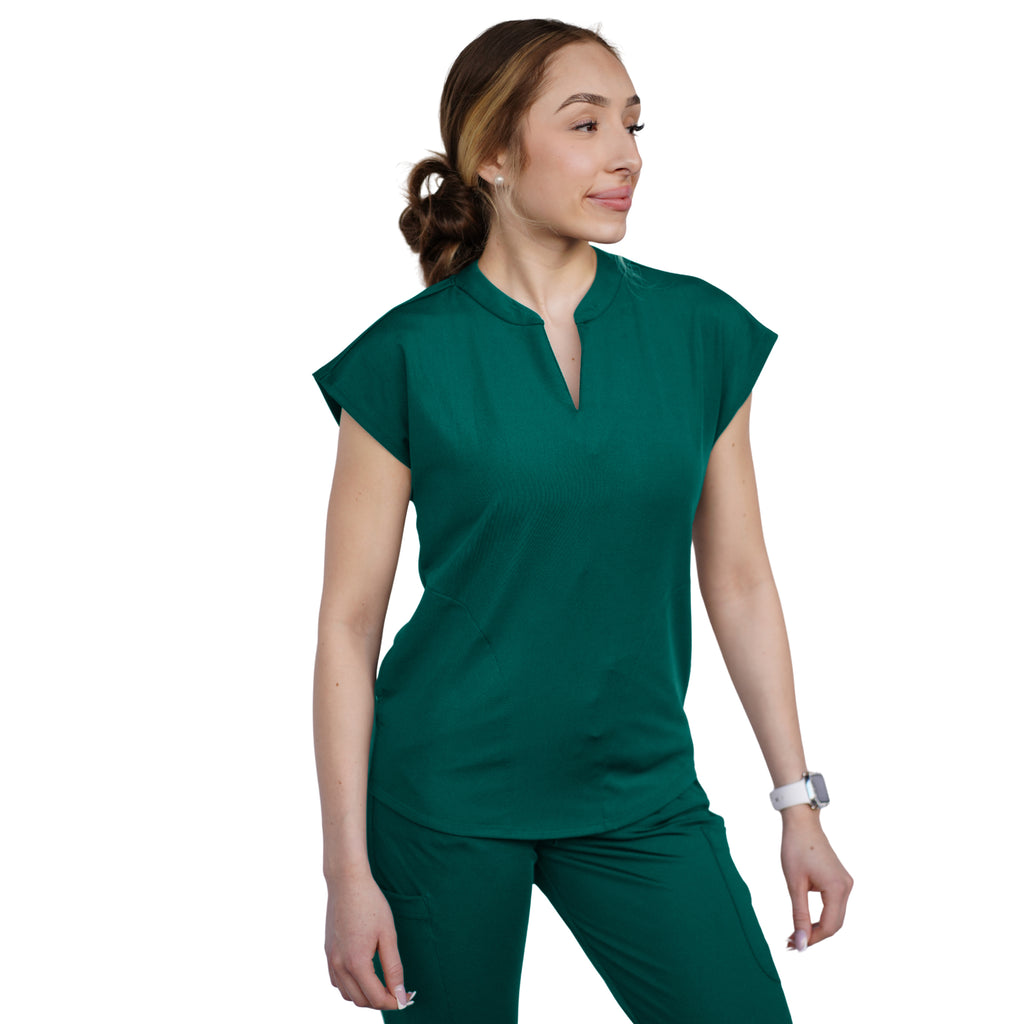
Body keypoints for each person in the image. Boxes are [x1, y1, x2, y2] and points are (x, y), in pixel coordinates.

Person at [311, 18, 853, 1024]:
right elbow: (349, 621)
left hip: (638, 789)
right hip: (442, 798)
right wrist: (347, 871)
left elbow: (738, 580)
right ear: (493, 156)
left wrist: (798, 803)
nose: (626, 156)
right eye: (586, 124)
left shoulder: (699, 332)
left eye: (634, 126)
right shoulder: (403, 358)